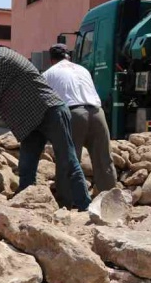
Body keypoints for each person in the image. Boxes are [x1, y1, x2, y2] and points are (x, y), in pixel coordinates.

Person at [0, 28, 91, 211]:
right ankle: (25, 206)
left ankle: (86, 207)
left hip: (50, 112)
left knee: (68, 161)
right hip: (30, 122)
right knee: (26, 167)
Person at [43, 44, 117, 199]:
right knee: (104, 160)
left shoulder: (48, 74)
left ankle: (67, 202)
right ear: (69, 56)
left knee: (69, 159)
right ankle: (111, 199)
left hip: (73, 114)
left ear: (51, 60)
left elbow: (44, 102)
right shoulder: (83, 70)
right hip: (98, 113)